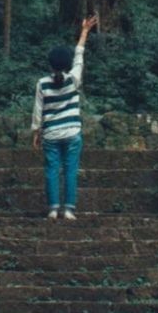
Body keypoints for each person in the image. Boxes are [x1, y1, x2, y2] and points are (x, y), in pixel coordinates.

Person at [31, 14, 98, 219]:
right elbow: (79, 55)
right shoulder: (74, 79)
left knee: (51, 170)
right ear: (68, 65)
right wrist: (84, 31)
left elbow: (37, 110)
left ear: (50, 65)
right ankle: (68, 209)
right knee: (70, 170)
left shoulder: (42, 83)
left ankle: (52, 208)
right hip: (72, 133)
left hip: (51, 134)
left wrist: (36, 132)